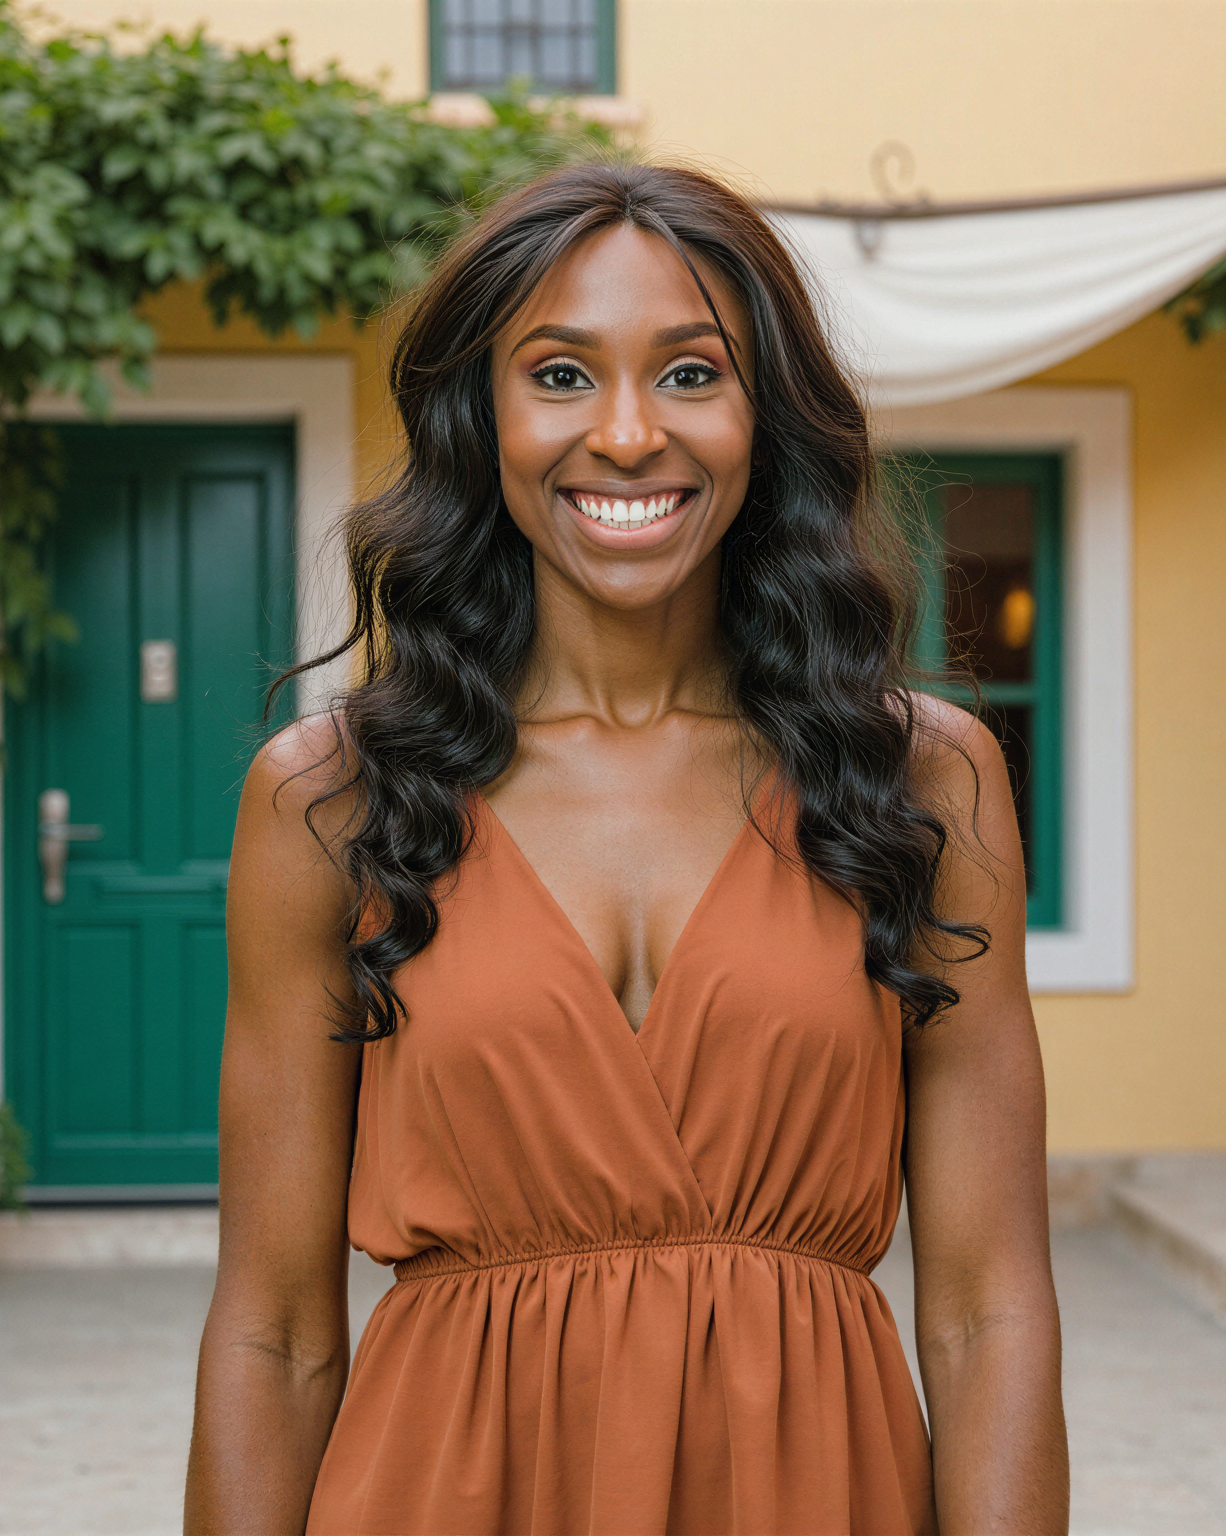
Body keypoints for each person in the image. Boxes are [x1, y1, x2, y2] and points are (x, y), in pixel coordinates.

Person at [185, 160, 1066, 1536]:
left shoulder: (922, 783)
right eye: (559, 375)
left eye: (692, 374)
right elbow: (274, 1332)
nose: (628, 432)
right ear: (482, 419)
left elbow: (987, 1310)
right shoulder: (334, 800)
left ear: (765, 418)